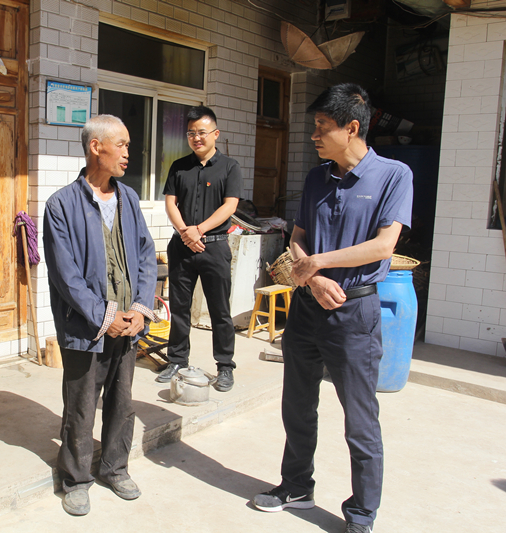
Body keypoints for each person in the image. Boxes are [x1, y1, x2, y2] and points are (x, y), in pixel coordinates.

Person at [252, 84, 412, 533]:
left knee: (359, 419)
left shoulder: (393, 176)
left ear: (352, 127)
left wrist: (319, 263)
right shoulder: (317, 178)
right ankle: (296, 486)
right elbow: (298, 236)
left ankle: (361, 513)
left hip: (353, 313)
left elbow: (383, 246)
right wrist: (314, 277)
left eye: (323, 126)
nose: (314, 135)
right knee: (297, 404)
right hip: (308, 306)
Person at [43, 114, 158, 516]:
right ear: (96, 147)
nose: (128, 153)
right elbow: (66, 276)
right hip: (86, 328)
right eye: (121, 144)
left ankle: (115, 468)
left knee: (122, 403)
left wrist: (141, 308)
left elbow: (146, 255)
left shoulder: (128, 198)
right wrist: (104, 317)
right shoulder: (61, 204)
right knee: (81, 406)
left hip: (128, 324)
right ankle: (75, 479)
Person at [158, 105, 241, 392]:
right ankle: (176, 360)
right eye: (191, 133)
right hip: (182, 247)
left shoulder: (229, 167)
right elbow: (170, 202)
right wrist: (185, 232)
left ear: (215, 134)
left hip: (214, 247)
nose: (196, 138)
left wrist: (199, 230)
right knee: (180, 308)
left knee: (220, 310)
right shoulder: (179, 166)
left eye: (202, 132)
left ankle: (225, 366)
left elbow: (230, 206)